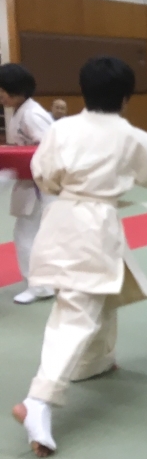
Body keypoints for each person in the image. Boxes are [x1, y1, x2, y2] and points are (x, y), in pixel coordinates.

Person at [11, 57, 147, 457]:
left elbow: (42, 173)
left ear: (83, 91)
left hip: (61, 217)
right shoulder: (132, 137)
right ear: (126, 98)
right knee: (77, 309)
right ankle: (39, 401)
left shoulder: (62, 129)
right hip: (93, 226)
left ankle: (96, 361)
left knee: (103, 291)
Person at [0, 63, 55, 305]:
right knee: (30, 234)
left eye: (2, 91)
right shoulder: (22, 111)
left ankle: (40, 286)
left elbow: (51, 151)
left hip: (41, 185)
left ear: (16, 90)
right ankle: (43, 283)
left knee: (26, 234)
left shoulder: (32, 114)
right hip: (30, 181)